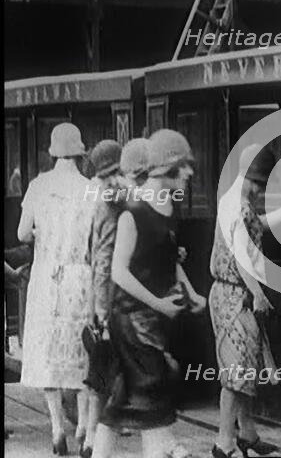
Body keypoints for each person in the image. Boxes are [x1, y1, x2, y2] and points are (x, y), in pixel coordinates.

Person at [92, 131, 205, 458]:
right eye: (183, 167)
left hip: (153, 319)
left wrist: (190, 292)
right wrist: (158, 303)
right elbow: (118, 272)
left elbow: (168, 259)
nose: (189, 174)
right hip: (132, 322)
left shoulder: (169, 207)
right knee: (154, 396)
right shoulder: (134, 211)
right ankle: (164, 450)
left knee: (121, 400)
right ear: (165, 169)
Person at [209, 144, 281, 458]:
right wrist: (257, 293)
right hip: (236, 296)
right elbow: (242, 258)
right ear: (249, 179)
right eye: (258, 183)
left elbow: (256, 224)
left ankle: (248, 434)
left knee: (241, 369)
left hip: (229, 294)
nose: (259, 190)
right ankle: (223, 443)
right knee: (236, 376)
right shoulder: (238, 207)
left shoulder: (233, 201)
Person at [17, 123, 96, 455]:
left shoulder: (38, 185)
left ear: (53, 152)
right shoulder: (90, 187)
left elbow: (22, 234)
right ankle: (82, 427)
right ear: (79, 153)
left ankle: (56, 428)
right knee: (82, 352)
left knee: (49, 352)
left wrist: (41, 233)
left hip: (47, 276)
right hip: (80, 276)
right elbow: (96, 238)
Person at [78, 139, 123, 458]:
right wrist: (102, 309)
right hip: (112, 300)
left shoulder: (97, 198)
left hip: (97, 294)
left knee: (98, 375)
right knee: (107, 376)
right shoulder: (110, 202)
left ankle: (90, 436)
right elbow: (103, 260)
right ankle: (96, 439)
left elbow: (90, 254)